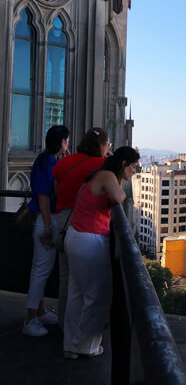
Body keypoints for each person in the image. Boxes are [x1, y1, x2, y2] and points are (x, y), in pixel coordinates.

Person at [63, 146, 140, 359]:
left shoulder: (99, 174)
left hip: (76, 237)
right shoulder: (106, 176)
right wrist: (119, 180)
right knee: (97, 297)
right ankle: (86, 346)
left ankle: (71, 344)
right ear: (123, 164)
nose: (135, 171)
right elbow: (119, 197)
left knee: (77, 295)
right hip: (89, 240)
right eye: (132, 166)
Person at [52, 128, 111, 329]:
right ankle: (83, 330)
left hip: (61, 221)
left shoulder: (64, 162)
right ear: (102, 146)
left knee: (66, 277)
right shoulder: (103, 166)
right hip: (85, 225)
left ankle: (63, 324)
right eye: (107, 144)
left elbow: (56, 189)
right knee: (89, 283)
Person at [23, 125, 70, 337]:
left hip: (44, 220)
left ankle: (39, 312)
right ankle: (30, 318)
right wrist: (49, 224)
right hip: (46, 220)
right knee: (41, 270)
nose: (67, 144)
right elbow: (43, 195)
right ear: (61, 142)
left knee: (40, 269)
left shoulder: (46, 160)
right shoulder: (47, 163)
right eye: (66, 140)